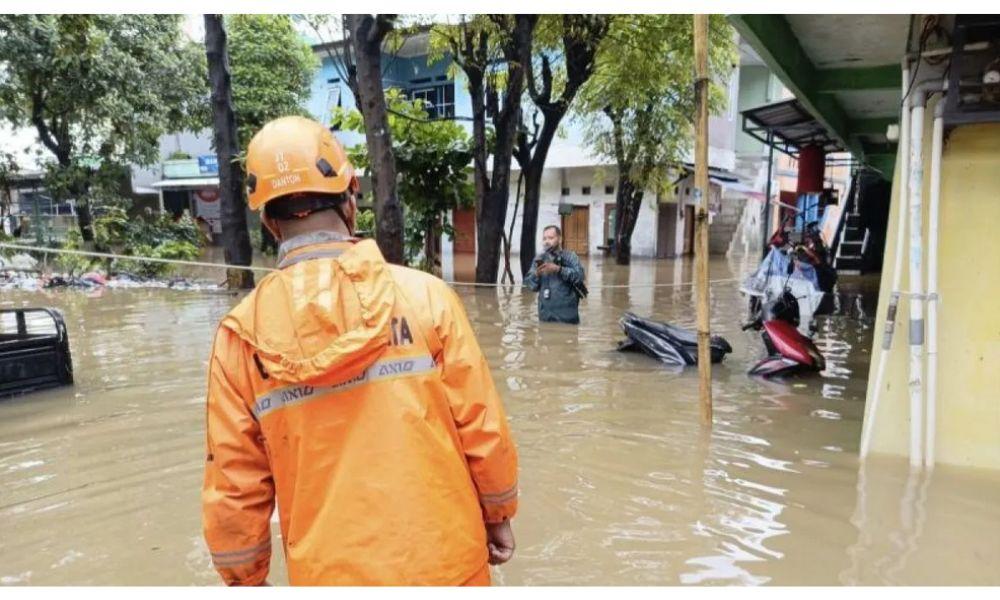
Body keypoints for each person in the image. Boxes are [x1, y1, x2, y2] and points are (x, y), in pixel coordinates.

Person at [202, 116, 518, 586]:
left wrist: (246, 578)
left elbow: (234, 486)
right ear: (352, 196)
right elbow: (482, 430)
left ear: (268, 220)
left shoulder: (240, 337)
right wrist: (498, 514)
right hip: (448, 567)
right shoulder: (426, 298)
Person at [523, 225, 586, 324]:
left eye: (551, 238)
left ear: (560, 239)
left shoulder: (570, 257)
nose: (547, 241)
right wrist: (536, 274)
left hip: (567, 318)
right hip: (545, 318)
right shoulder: (539, 259)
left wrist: (558, 269)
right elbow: (530, 286)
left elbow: (580, 277)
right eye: (544, 238)